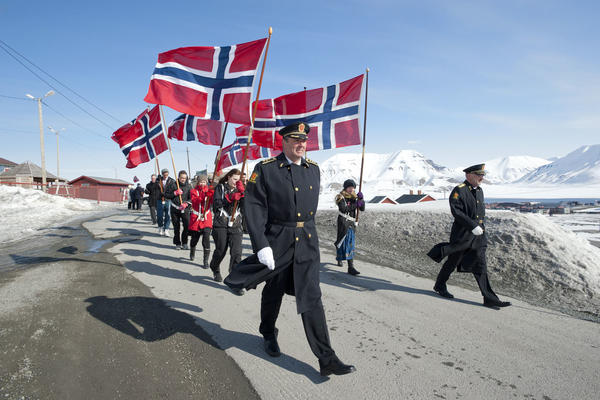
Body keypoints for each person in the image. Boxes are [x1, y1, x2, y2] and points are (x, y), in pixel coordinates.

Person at [225, 122, 356, 377]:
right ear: (283, 141)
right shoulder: (266, 169)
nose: (301, 144)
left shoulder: (313, 170)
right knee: (273, 290)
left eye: (304, 140)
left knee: (312, 296)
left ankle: (326, 357)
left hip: (307, 239)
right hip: (278, 239)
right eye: (296, 140)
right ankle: (268, 333)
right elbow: (254, 208)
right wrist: (261, 245)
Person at [427, 163, 511, 308]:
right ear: (469, 175)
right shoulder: (459, 190)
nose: (481, 178)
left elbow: (479, 212)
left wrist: (480, 228)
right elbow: (457, 211)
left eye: (483, 175)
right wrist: (472, 226)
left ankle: (489, 298)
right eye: (479, 175)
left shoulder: (480, 191)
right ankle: (440, 285)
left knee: (481, 265)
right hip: (463, 234)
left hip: (478, 236)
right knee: (452, 262)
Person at [209, 169, 245, 282]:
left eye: (238, 180)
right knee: (221, 250)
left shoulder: (242, 189)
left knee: (237, 252)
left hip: (236, 224)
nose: (236, 182)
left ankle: (234, 277)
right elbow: (216, 204)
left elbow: (247, 207)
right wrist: (230, 198)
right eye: (234, 179)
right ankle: (215, 267)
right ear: (229, 177)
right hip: (221, 223)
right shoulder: (220, 188)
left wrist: (243, 194)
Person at [334, 179, 365, 275]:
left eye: (353, 187)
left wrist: (361, 200)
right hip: (343, 222)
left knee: (350, 244)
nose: (351, 189)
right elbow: (343, 209)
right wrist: (356, 204)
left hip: (351, 224)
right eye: (350, 187)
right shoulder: (340, 197)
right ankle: (339, 258)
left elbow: (362, 209)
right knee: (342, 242)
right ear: (346, 187)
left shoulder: (355, 198)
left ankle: (350, 267)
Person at [188, 174, 214, 267]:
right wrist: (203, 195)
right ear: (198, 182)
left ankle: (205, 261)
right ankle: (192, 251)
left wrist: (210, 195)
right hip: (196, 218)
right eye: (201, 182)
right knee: (194, 239)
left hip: (206, 218)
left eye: (204, 182)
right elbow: (195, 201)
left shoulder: (209, 190)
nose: (203, 183)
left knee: (206, 239)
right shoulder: (193, 191)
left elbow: (211, 202)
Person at [165, 170, 192, 250]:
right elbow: (166, 195)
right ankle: (177, 243)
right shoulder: (173, 185)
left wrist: (186, 203)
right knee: (176, 227)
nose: (183, 179)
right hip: (175, 209)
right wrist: (174, 193)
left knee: (186, 226)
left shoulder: (189, 186)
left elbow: (192, 198)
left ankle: (185, 243)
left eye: (184, 178)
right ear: (178, 177)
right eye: (181, 178)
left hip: (185, 209)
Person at [157, 168, 175, 237]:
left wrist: (166, 194)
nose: (165, 174)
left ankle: (166, 229)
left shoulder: (171, 181)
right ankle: (160, 227)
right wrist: (157, 181)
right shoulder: (158, 180)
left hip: (168, 200)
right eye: (164, 173)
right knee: (159, 215)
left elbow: (173, 190)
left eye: (166, 173)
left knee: (168, 215)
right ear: (162, 173)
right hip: (160, 200)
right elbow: (154, 187)